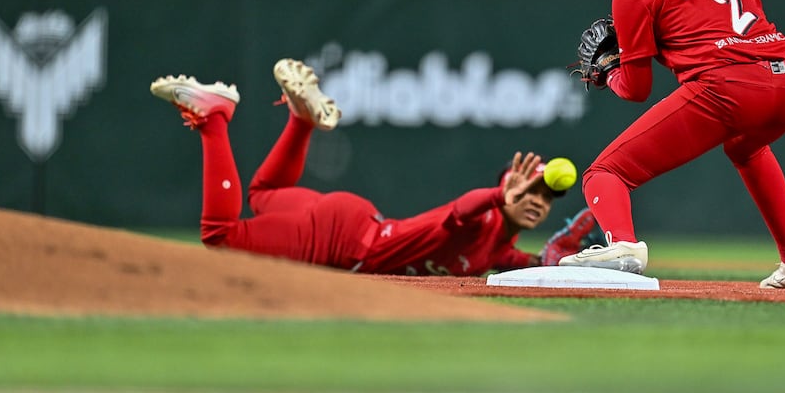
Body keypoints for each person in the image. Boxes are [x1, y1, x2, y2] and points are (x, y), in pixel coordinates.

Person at [558, 0, 785, 290]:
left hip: (729, 89)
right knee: (745, 147)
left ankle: (623, 245)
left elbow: (637, 88)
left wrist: (610, 72)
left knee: (605, 172)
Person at [150, 57, 593, 276]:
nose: (537, 201)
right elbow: (463, 209)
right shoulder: (483, 219)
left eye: (545, 197)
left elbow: (532, 263)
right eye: (529, 191)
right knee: (220, 236)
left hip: (356, 220)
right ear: (504, 190)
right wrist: (499, 196)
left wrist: (570, 261)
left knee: (262, 195)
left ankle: (302, 121)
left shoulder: (498, 248)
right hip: (341, 242)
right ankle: (214, 118)